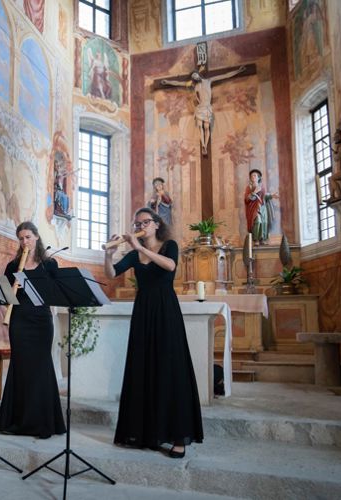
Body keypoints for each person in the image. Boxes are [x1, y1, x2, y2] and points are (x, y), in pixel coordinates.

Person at [104, 207, 203, 458]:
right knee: (143, 367)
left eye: (146, 222)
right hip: (143, 311)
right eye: (137, 222)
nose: (141, 225)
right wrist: (109, 255)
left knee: (170, 368)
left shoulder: (168, 245)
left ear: (157, 224)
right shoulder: (135, 254)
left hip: (165, 310)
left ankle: (178, 436)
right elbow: (112, 273)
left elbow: (170, 267)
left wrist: (139, 247)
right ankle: (145, 432)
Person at [0, 222, 66, 438]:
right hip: (20, 320)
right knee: (21, 367)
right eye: (21, 238)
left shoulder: (50, 265)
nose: (25, 241)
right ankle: (17, 422)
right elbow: (4, 296)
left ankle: (43, 424)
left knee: (41, 367)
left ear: (36, 237)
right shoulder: (13, 266)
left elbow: (57, 292)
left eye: (28, 237)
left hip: (42, 321)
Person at [161, 66, 246, 154]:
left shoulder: (208, 81)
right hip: (200, 108)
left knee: (206, 128)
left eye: (195, 75)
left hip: (207, 108)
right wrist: (168, 82)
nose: (195, 77)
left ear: (198, 74)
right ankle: (204, 146)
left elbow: (225, 76)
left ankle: (205, 143)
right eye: (193, 77)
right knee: (201, 128)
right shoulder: (194, 86)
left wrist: (238, 71)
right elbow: (179, 83)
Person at [244, 169, 279, 244]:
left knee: (264, 222)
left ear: (258, 177)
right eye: (252, 176)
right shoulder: (249, 187)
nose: (253, 177)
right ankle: (256, 239)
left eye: (255, 175)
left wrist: (272, 195)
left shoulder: (262, 187)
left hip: (262, 207)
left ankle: (262, 239)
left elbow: (264, 196)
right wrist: (254, 192)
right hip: (253, 208)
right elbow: (246, 199)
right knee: (257, 221)